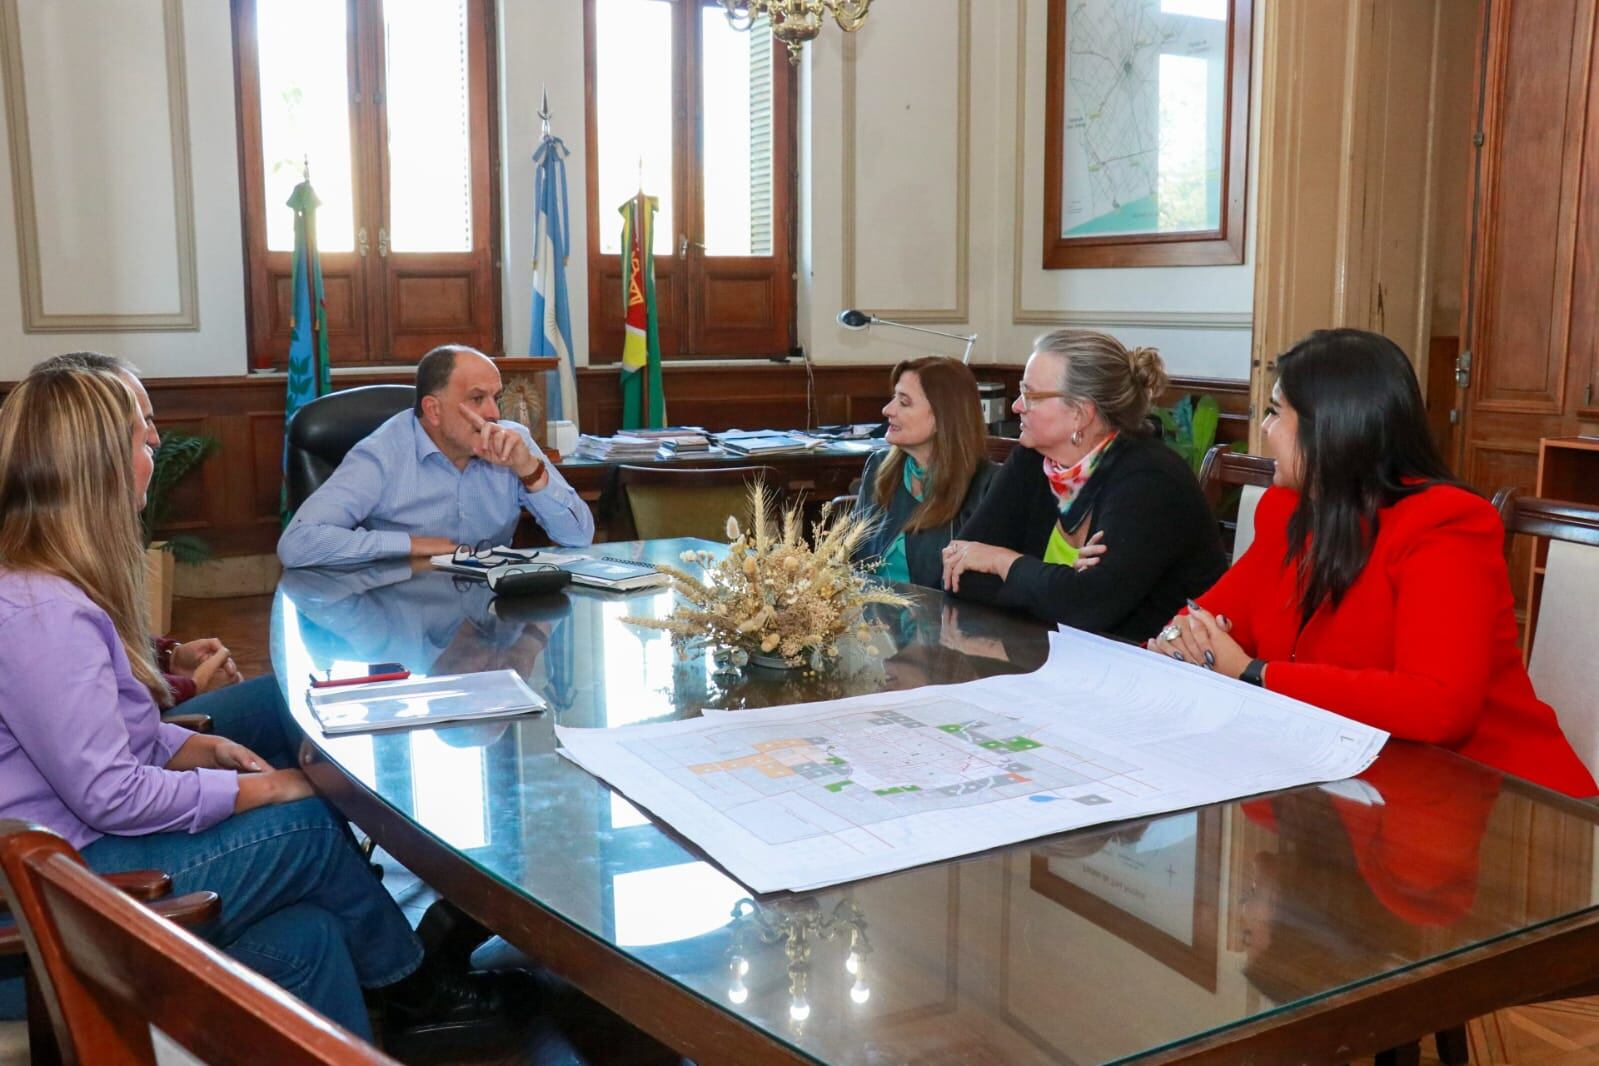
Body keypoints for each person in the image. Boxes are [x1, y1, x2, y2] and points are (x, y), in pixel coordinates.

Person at [0, 367, 492, 1039]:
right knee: (309, 822)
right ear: (97, 465)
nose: (154, 448)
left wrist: (191, 746)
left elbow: (112, 734)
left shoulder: (46, 583)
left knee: (309, 936)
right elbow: (109, 794)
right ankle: (416, 989)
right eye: (142, 438)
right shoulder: (40, 610)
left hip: (73, 853)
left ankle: (384, 999)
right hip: (54, 896)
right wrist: (266, 791)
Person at [1153, 328, 1596, 797]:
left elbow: (1437, 706)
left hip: (1493, 794)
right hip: (1351, 779)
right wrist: (1176, 642)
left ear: (1332, 426)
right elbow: (1199, 618)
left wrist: (1254, 673)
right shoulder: (1286, 509)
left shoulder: (1446, 525)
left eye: (1275, 413)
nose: (1263, 428)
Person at [29, 352, 292, 766]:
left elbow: (103, 653)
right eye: (141, 424)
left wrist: (169, 656)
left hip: (138, 753)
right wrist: (190, 687)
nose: (155, 438)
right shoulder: (44, 599)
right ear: (93, 447)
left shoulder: (62, 549)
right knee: (308, 804)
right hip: (118, 783)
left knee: (287, 707)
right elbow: (110, 774)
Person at [941, 329, 1226, 642]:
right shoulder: (1034, 458)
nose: (1017, 406)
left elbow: (1090, 608)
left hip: (1154, 668)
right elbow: (958, 572)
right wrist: (1060, 585)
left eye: (1031, 396)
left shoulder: (1150, 479)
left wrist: (1001, 560)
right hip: (1055, 656)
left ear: (1080, 414)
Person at [278, 344, 594, 568]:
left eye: (495, 398)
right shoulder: (381, 455)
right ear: (433, 410)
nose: (494, 413)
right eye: (477, 399)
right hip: (407, 612)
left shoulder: (513, 441)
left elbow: (579, 537)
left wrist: (529, 470)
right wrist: (413, 545)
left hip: (493, 613)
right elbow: (297, 544)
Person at [853, 357, 998, 588]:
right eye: (893, 398)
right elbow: (848, 555)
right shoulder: (879, 467)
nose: (887, 410)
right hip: (868, 616)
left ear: (943, 417)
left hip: (939, 621)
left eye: (904, 402)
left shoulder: (987, 486)